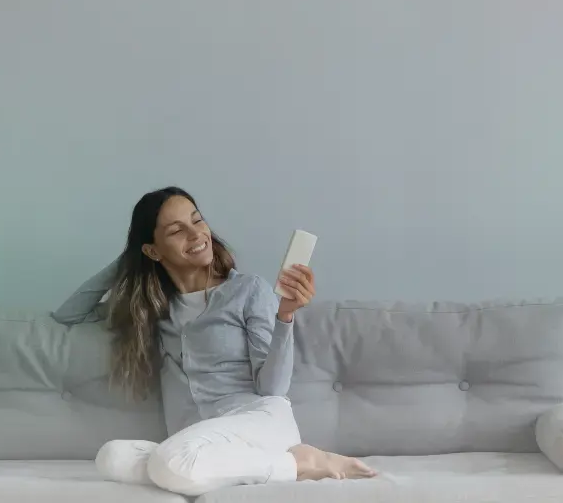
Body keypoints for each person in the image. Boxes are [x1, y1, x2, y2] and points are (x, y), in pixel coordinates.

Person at [53, 186, 376, 496]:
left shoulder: (247, 290)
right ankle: (211, 469)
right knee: (112, 458)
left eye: (197, 220)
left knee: (172, 463)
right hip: (199, 442)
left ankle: (297, 462)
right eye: (177, 230)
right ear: (152, 250)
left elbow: (273, 389)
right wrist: (130, 260)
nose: (196, 235)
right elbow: (70, 314)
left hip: (256, 422)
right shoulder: (151, 307)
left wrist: (285, 316)